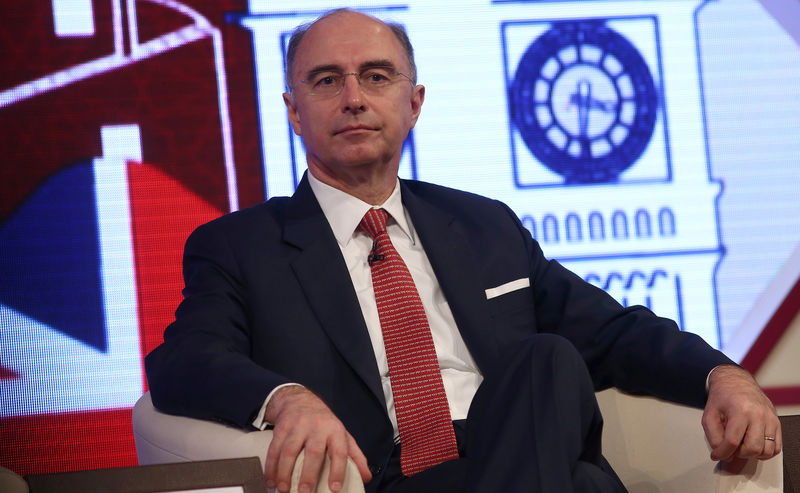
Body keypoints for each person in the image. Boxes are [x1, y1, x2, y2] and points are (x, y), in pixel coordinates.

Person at [145, 8, 781, 493]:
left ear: (413, 103)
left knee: (548, 359)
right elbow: (182, 361)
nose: (354, 98)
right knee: (581, 481)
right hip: (389, 476)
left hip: (506, 449)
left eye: (376, 76)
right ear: (293, 111)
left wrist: (719, 374)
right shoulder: (240, 245)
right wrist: (286, 397)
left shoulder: (482, 225)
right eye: (326, 80)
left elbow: (611, 330)